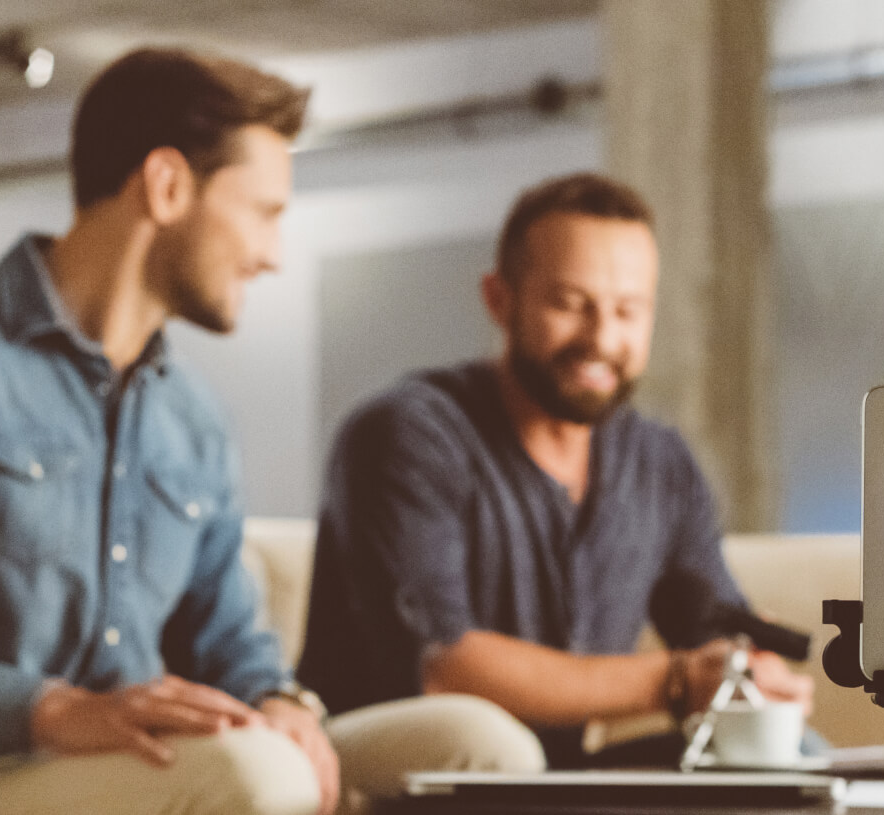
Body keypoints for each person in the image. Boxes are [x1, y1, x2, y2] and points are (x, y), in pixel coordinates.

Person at [0, 48, 534, 815]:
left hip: (144, 773)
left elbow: (230, 640)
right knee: (256, 778)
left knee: (482, 744)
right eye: (263, 214)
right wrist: (46, 709)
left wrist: (279, 699)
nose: (274, 256)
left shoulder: (194, 418)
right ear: (165, 186)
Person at [297, 172, 814, 768]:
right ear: (499, 299)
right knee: (496, 749)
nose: (602, 338)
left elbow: (711, 637)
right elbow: (444, 666)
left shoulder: (660, 463)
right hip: (408, 767)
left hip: (558, 778)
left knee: (793, 761)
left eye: (628, 310)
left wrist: (749, 669)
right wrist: (673, 681)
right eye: (571, 304)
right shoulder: (407, 434)